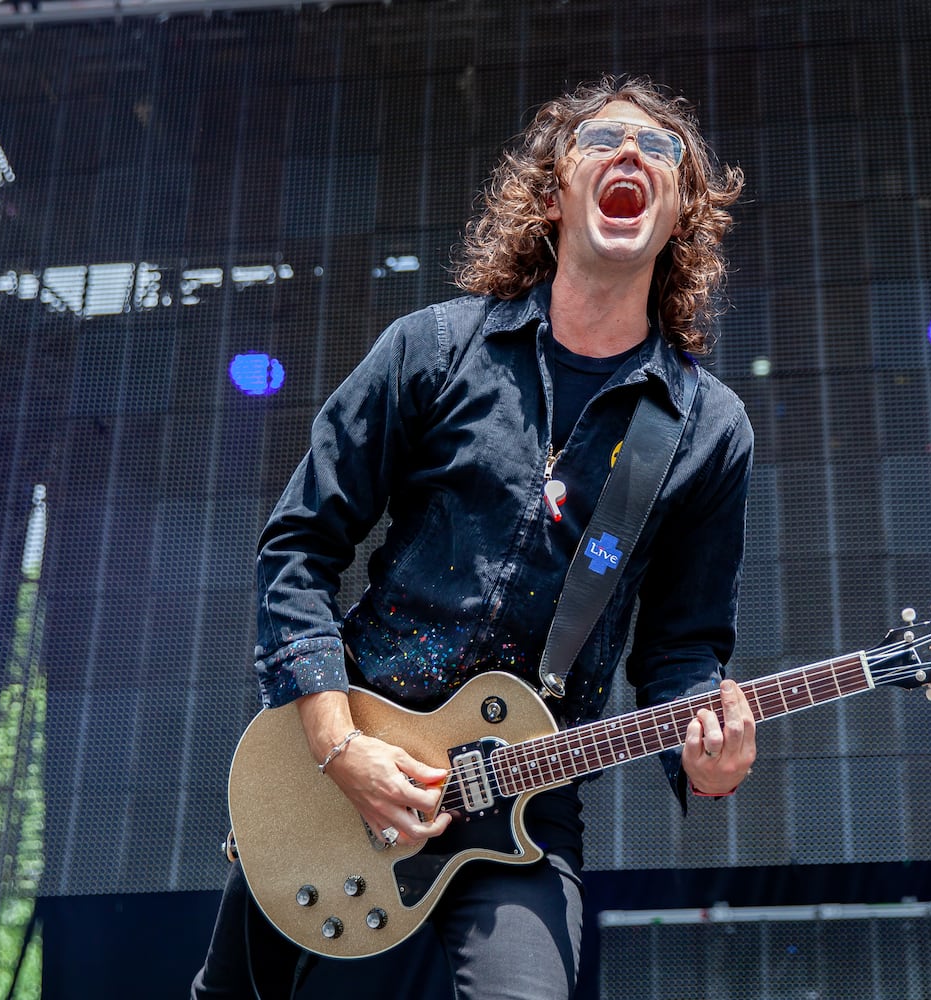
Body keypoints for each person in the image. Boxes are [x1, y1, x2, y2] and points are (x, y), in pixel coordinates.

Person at [192, 74, 754, 1000]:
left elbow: (683, 649)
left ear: (682, 214)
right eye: (601, 140)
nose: (630, 154)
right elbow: (297, 549)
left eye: (659, 150)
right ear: (551, 193)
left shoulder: (705, 427)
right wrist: (340, 746)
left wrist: (711, 756)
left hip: (525, 794)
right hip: (347, 755)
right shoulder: (433, 350)